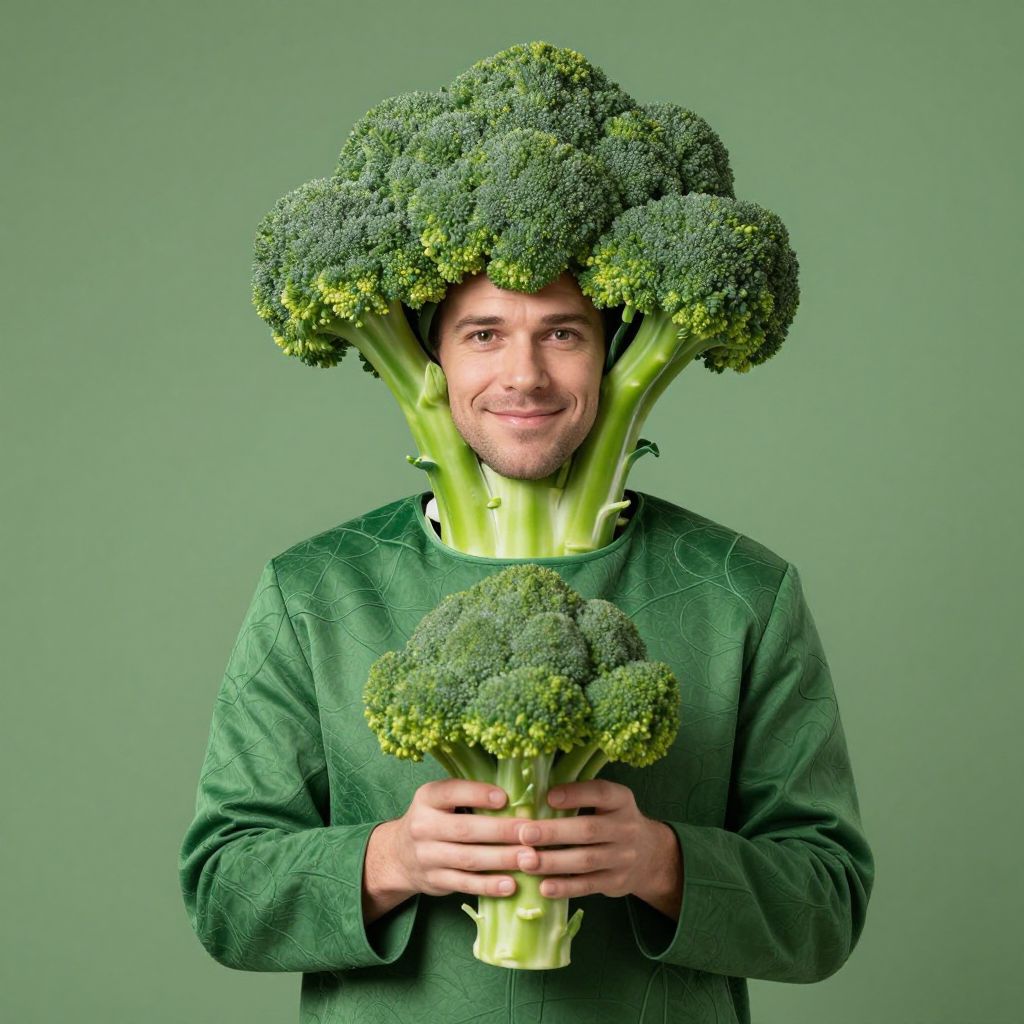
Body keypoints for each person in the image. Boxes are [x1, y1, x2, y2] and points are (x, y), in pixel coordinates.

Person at [180, 271, 873, 1024]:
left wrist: (663, 863)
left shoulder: (743, 591)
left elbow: (826, 910)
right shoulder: (314, 590)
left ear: (612, 352)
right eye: (483, 333)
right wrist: (391, 860)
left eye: (563, 333)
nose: (524, 375)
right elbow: (223, 895)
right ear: (430, 355)